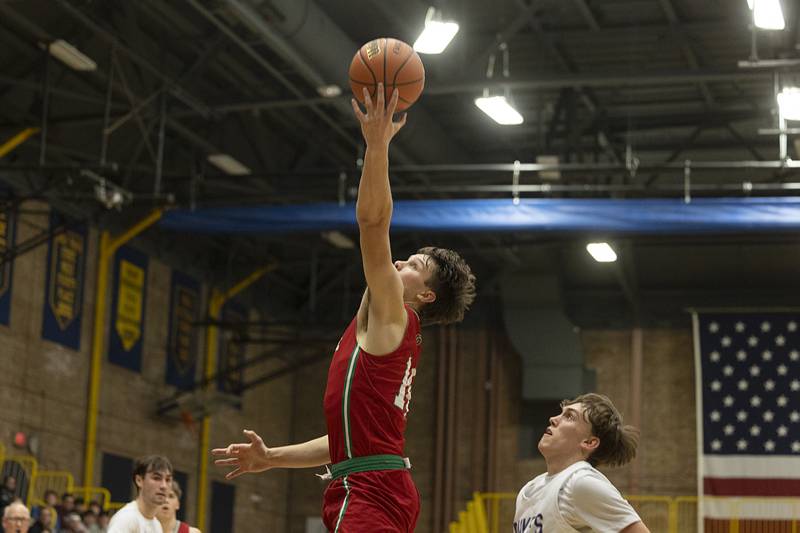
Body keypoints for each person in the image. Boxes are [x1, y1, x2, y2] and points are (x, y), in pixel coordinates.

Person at [212, 83, 476, 532]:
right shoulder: (389, 332)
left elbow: (373, 223)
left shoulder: (397, 314)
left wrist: (377, 145)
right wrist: (272, 458)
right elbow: (345, 442)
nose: (398, 261)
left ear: (425, 295)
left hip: (371, 488)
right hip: (370, 479)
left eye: (413, 265)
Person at [514, 393, 650, 533]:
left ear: (589, 442)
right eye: (561, 413)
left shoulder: (580, 482)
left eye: (569, 416)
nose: (553, 419)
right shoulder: (529, 489)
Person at [107, 455, 172, 533]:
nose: (164, 486)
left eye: (168, 480)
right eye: (156, 478)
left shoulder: (157, 525)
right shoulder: (126, 518)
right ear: (139, 480)